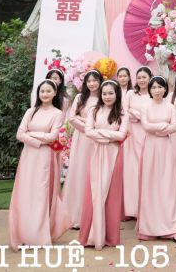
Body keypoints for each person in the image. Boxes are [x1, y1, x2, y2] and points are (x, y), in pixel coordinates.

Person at [9, 80, 69, 250]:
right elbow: (19, 134)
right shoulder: (30, 111)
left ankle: (40, 235)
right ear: (38, 93)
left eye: (48, 91)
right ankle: (25, 233)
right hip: (28, 156)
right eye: (42, 91)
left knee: (40, 194)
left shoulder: (58, 113)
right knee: (26, 193)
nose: (45, 94)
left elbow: (52, 137)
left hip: (45, 157)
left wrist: (31, 134)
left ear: (54, 93)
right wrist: (39, 139)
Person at [79, 80, 128, 249]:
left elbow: (121, 136)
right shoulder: (94, 110)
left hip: (114, 155)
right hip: (95, 154)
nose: (107, 96)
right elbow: (88, 131)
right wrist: (108, 136)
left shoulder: (122, 113)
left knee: (112, 195)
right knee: (93, 192)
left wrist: (99, 133)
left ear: (117, 94)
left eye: (111, 93)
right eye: (104, 93)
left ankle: (109, 237)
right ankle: (90, 235)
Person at [137, 76, 176, 242]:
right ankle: (149, 227)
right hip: (150, 147)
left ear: (165, 89)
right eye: (154, 87)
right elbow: (146, 126)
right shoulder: (145, 106)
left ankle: (171, 228)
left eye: (160, 87)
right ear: (150, 89)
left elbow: (174, 127)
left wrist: (158, 129)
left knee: (167, 184)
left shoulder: (170, 107)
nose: (157, 90)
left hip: (165, 147)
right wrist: (164, 127)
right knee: (150, 184)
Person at [62, 70, 102, 229]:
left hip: (97, 140)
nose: (92, 83)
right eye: (89, 81)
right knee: (79, 173)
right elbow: (72, 118)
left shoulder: (104, 98)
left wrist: (86, 122)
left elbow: (103, 120)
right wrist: (89, 127)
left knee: (94, 174)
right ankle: (74, 216)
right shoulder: (80, 98)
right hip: (82, 139)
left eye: (95, 80)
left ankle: (92, 216)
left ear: (100, 81)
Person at [123, 66, 151, 220]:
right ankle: (132, 208)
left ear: (150, 78)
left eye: (144, 77)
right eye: (139, 77)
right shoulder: (130, 94)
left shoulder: (154, 94)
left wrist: (138, 116)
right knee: (132, 170)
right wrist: (139, 115)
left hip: (147, 135)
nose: (141, 80)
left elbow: (153, 115)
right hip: (132, 135)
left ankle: (147, 207)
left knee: (147, 169)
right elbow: (124, 111)